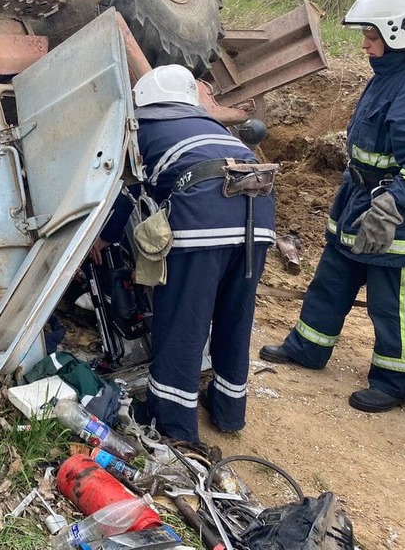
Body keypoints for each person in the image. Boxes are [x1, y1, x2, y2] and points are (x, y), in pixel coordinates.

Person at [101, 64, 276, 442]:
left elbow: (125, 191)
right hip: (258, 219)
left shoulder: (143, 129)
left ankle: (173, 423)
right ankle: (229, 412)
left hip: (203, 219)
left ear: (144, 100)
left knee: (183, 320)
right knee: (235, 316)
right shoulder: (214, 127)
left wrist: (105, 237)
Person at [260, 0, 405, 413]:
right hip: (358, 199)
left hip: (390, 212)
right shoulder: (386, 78)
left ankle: (395, 380)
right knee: (332, 279)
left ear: (399, 33)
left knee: (390, 300)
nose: (364, 44)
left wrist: (394, 203)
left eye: (371, 35)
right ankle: (308, 347)